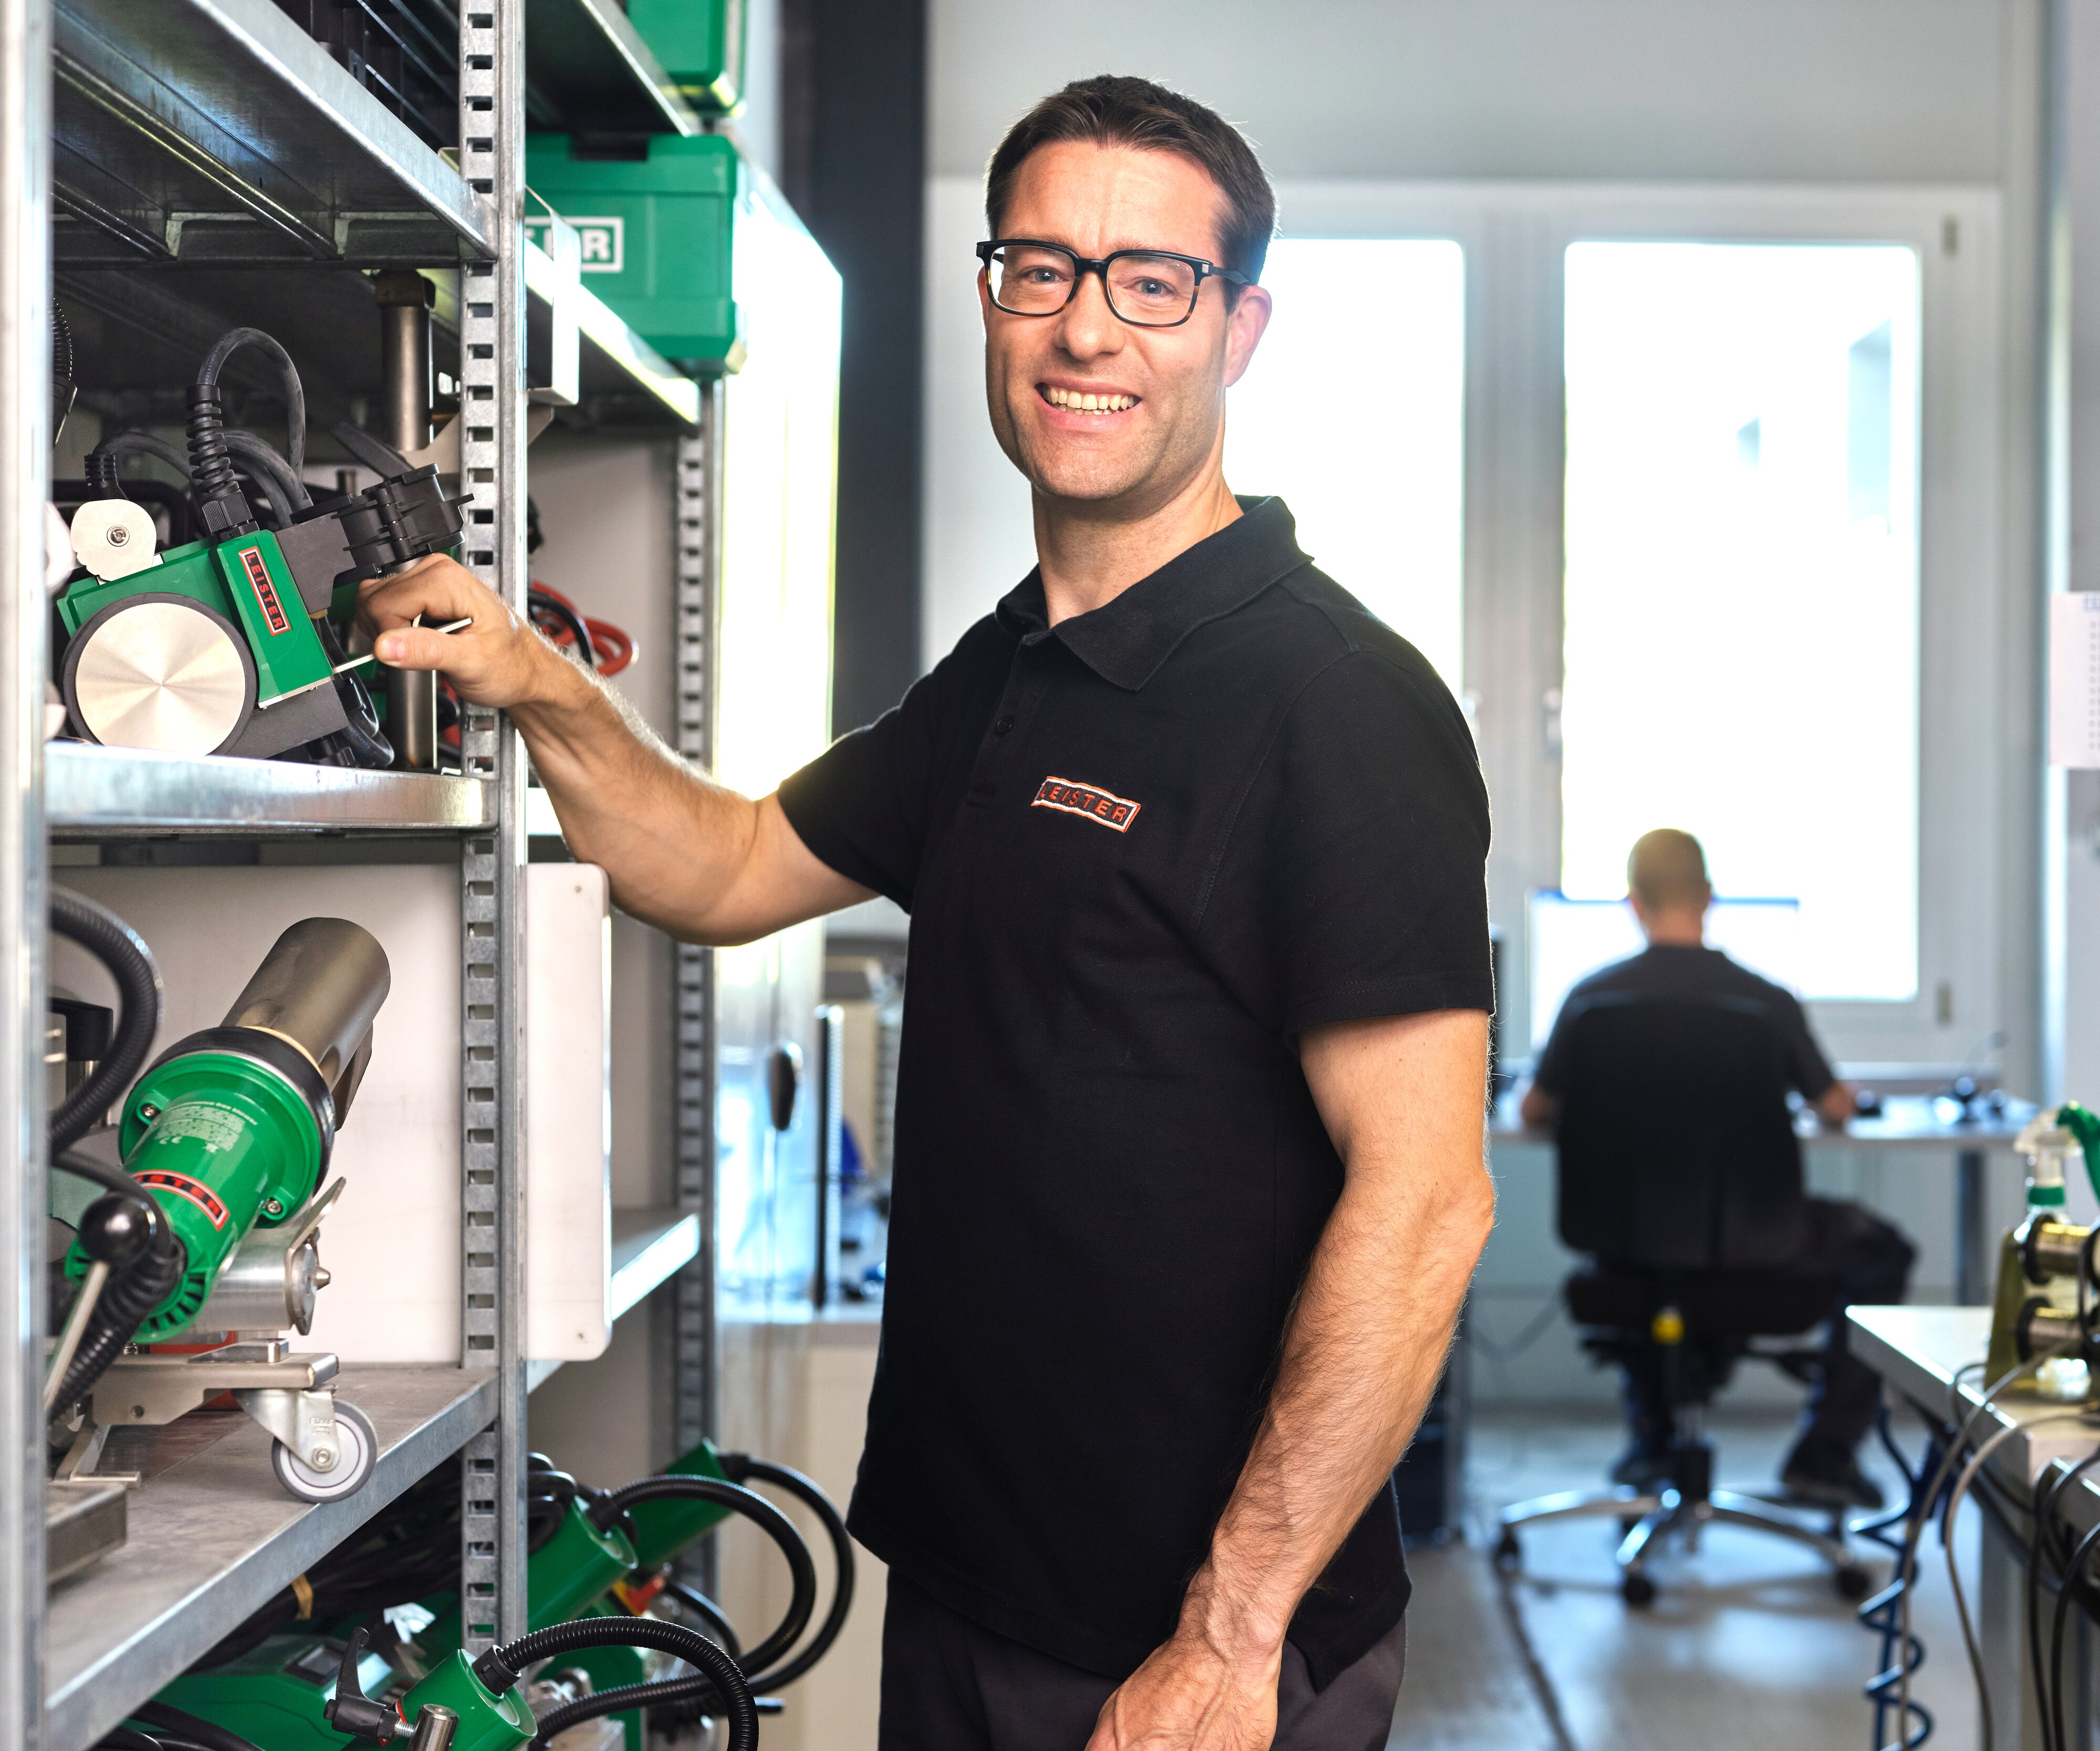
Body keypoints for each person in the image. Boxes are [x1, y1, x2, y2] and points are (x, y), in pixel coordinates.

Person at [359, 74, 1495, 1751]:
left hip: (1185, 1647)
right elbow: (731, 865)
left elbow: (1427, 1204)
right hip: (975, 1582)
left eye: (1149, 280)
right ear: (989, 298)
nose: (1085, 329)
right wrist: (540, 687)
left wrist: (1228, 1635)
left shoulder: (1336, 701)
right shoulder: (1016, 669)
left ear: (1241, 327)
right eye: (1039, 268)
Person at [1520, 828, 1912, 1510]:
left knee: (1649, 1251)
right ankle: (1824, 1453)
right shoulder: (1764, 1001)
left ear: (1633, 904)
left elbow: (1531, 1110)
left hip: (1627, 1253)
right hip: (1758, 1251)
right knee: (1881, 1250)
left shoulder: (1589, 1001)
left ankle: (1652, 1436)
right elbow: (1837, 1105)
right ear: (1709, 898)